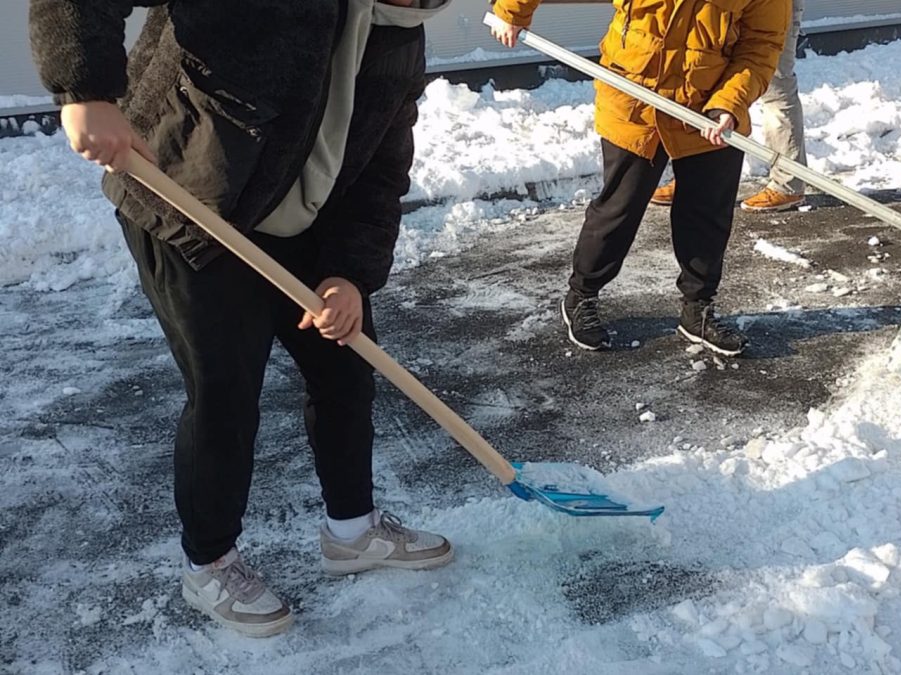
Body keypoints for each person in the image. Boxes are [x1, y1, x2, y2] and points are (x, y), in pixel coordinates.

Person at [30, 0, 450, 637]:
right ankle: (210, 562)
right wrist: (84, 88)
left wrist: (350, 273)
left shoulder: (401, 30)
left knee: (346, 364)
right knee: (225, 391)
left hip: (304, 217)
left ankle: (352, 531)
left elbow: (381, 163)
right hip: (191, 197)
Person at [490, 0, 789, 354]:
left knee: (708, 213)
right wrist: (511, 10)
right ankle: (582, 295)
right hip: (634, 100)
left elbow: (761, 45)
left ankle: (698, 309)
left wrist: (729, 103)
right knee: (620, 206)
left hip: (708, 108)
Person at [651, 0, 807, 213]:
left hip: (770, 9)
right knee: (702, 79)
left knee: (775, 86)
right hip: (719, 8)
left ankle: (788, 183)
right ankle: (694, 179)